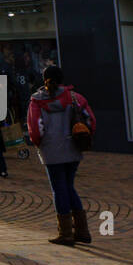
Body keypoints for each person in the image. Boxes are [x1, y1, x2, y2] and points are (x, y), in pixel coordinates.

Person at [27, 64, 96, 246]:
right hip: (72, 148)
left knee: (59, 189)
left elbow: (35, 130)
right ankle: (82, 230)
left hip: (51, 150)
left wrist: (39, 143)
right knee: (69, 186)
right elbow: (91, 121)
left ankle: (65, 233)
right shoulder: (75, 98)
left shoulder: (37, 101)